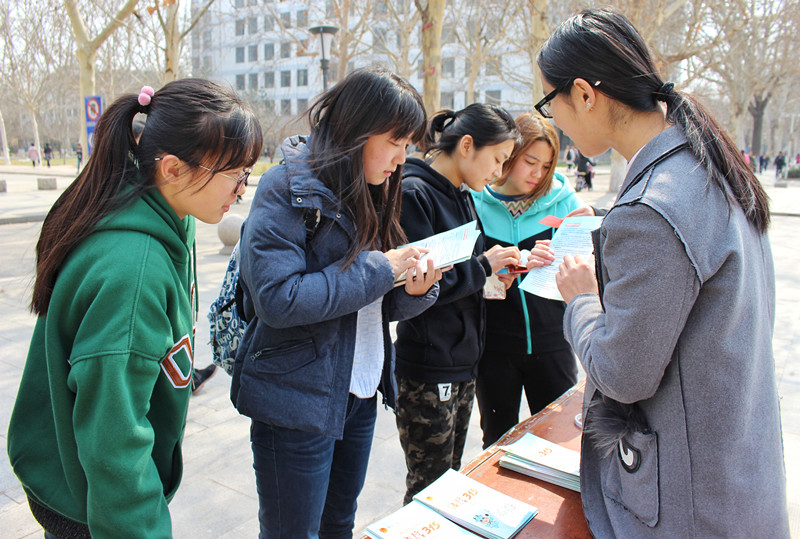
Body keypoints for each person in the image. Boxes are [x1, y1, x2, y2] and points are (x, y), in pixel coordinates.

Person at [535, 8, 789, 537]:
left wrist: (581, 298)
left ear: (584, 94)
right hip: (737, 474)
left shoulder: (652, 207)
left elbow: (621, 374)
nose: (553, 119)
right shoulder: (708, 164)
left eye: (549, 102)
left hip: (685, 502)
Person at [7, 79, 263, 538]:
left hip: (80, 480)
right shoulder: (134, 272)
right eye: (235, 174)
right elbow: (113, 440)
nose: (242, 189)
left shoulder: (167, 213)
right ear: (173, 168)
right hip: (91, 503)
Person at [230, 66, 442, 538]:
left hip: (360, 390)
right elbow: (278, 299)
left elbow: (368, 304)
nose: (401, 158)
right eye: (395, 142)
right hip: (295, 397)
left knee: (339, 524)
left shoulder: (374, 187)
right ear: (356, 129)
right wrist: (382, 269)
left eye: (408, 145)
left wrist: (412, 290)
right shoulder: (286, 186)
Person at [394, 103, 522, 504]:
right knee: (428, 491)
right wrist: (484, 266)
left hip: (463, 362)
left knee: (448, 483)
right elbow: (421, 284)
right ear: (467, 145)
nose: (498, 172)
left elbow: (466, 272)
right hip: (429, 367)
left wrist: (495, 277)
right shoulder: (414, 193)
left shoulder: (463, 194)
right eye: (497, 159)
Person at [470, 113, 592, 448]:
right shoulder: (475, 201)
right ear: (509, 153)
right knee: (497, 440)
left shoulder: (564, 201)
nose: (537, 174)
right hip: (494, 345)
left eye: (546, 165)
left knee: (559, 439)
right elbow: (466, 274)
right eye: (530, 162)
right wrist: (496, 271)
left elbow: (590, 257)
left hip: (553, 341)